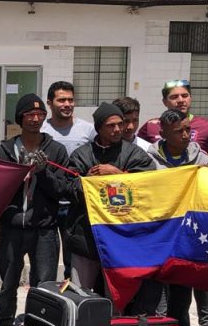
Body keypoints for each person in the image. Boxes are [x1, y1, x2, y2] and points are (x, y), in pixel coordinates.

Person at [0, 94, 68, 326]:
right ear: (20, 118)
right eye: (29, 115)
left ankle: (38, 325)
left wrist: (43, 173)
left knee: (43, 283)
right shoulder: (6, 148)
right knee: (8, 280)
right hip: (13, 226)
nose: (35, 119)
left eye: (40, 115)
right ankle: (4, 323)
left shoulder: (56, 149)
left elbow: (62, 191)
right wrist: (19, 173)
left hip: (44, 228)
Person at [63, 102, 154, 297]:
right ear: (99, 128)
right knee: (81, 295)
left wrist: (116, 174)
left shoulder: (134, 153)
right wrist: (91, 181)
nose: (118, 129)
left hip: (120, 238)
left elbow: (146, 186)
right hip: (86, 237)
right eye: (111, 125)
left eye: (120, 124)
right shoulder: (81, 155)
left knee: (116, 297)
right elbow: (69, 188)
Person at [146, 110, 208, 326]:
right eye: (178, 131)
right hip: (159, 235)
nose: (185, 136)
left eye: (187, 130)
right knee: (158, 300)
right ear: (163, 133)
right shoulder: (149, 159)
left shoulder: (201, 159)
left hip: (188, 237)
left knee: (182, 299)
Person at [40, 81, 95, 280]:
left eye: (70, 100)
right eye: (61, 100)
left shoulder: (88, 131)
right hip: (47, 204)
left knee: (74, 262)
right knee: (46, 260)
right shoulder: (41, 130)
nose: (67, 104)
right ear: (49, 103)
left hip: (76, 204)